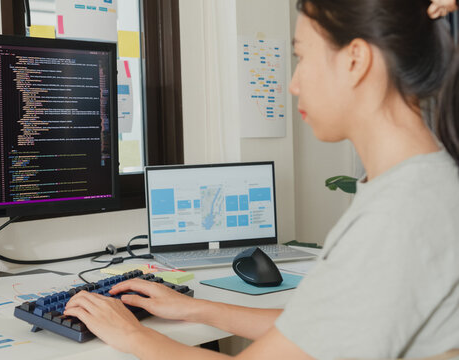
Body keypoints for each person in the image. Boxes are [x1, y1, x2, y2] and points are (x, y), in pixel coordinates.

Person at [64, 0, 459, 358]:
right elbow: (319, 331)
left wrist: (130, 335)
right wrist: (193, 307)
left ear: (356, 60)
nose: (293, 84)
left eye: (301, 57)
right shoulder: (421, 186)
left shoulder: (400, 215)